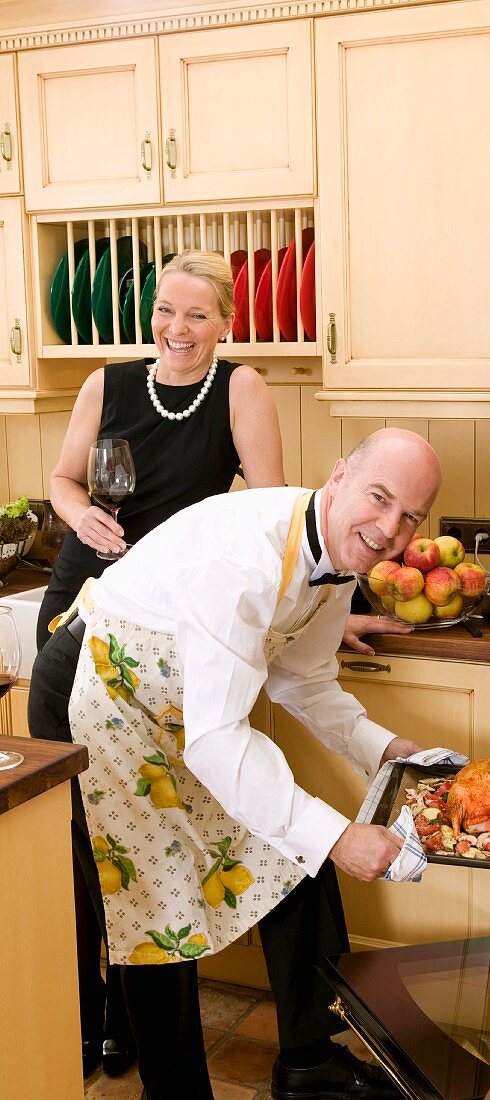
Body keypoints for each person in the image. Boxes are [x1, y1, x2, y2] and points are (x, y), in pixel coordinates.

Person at [32, 249, 408, 1079]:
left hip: (190, 645)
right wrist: (82, 520)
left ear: (225, 322)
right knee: (125, 880)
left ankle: (309, 1055)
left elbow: (281, 545)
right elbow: (67, 483)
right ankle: (106, 1027)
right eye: (166, 311)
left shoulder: (283, 522)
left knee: (270, 844)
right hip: (98, 651)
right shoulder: (109, 385)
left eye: (197, 314)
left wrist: (322, 616)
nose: (177, 328)